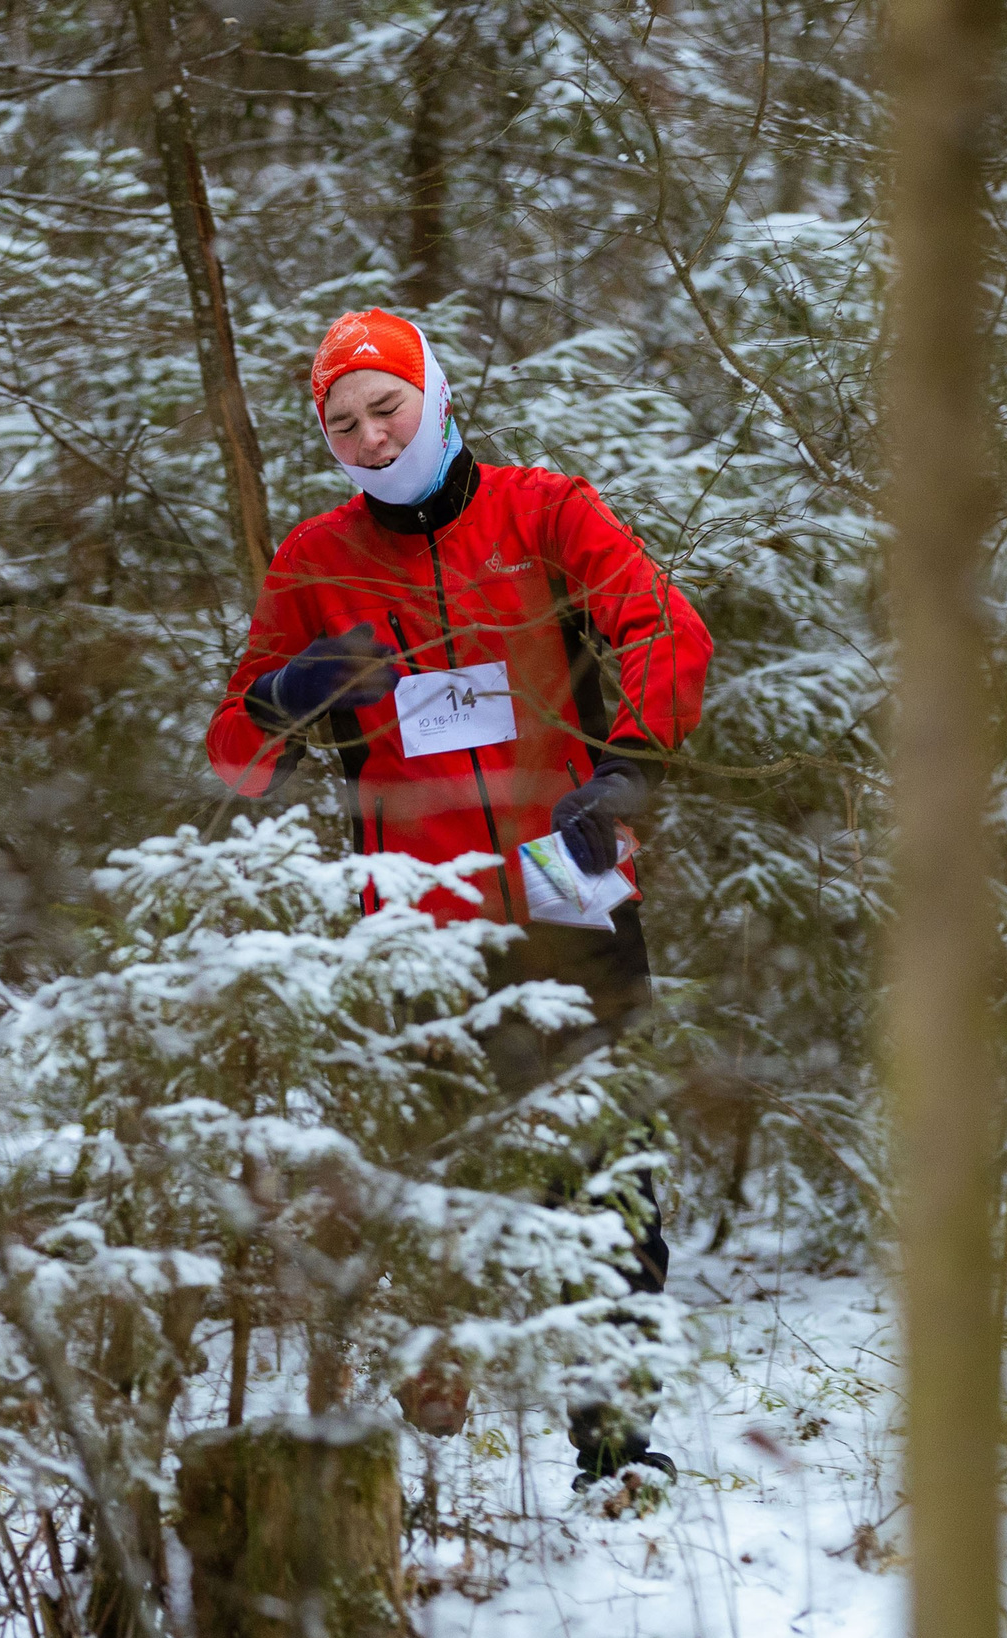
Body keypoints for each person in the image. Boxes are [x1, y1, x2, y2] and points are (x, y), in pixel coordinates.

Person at [206, 309, 714, 1488]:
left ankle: (614, 1443)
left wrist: (630, 763)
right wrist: (287, 692)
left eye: (387, 407)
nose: (373, 439)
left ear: (433, 394)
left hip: (567, 881)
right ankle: (431, 1397)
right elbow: (235, 755)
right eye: (344, 424)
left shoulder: (543, 512)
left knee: (607, 1170)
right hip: (415, 918)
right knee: (427, 1175)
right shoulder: (316, 562)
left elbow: (660, 625)